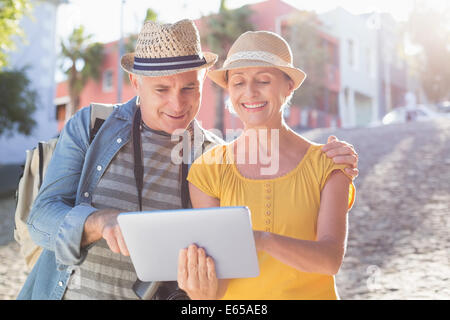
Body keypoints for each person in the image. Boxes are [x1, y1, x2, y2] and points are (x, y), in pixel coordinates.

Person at [17, 20, 357, 300]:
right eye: (161, 90)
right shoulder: (92, 126)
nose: (177, 105)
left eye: (189, 89)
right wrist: (99, 221)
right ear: (136, 82)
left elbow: (211, 265)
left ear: (204, 83)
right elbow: (41, 219)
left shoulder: (209, 155)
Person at [178, 30, 356, 300]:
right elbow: (220, 284)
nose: (250, 92)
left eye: (263, 80)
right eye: (238, 83)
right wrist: (200, 292)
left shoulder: (329, 164)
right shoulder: (207, 171)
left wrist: (262, 240)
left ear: (288, 87)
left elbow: (330, 260)